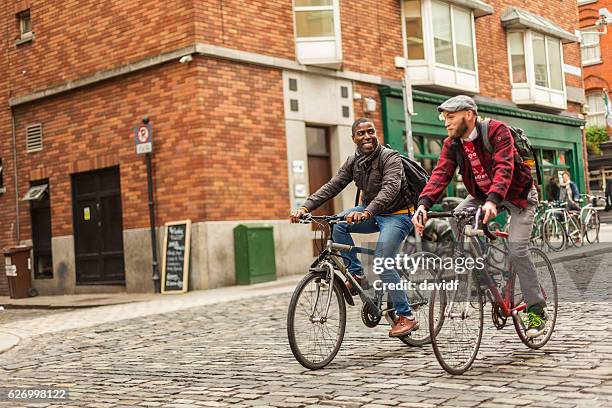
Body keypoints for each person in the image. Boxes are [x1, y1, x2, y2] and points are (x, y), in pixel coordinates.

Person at [411, 95, 548, 338]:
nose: (446, 123)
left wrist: (494, 200)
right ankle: (483, 269)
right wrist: (423, 204)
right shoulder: (453, 144)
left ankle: (536, 310)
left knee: (517, 251)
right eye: (444, 118)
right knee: (457, 217)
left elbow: (504, 167)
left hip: (519, 196)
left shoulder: (497, 131)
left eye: (451, 117)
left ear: (469, 115)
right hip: (483, 195)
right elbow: (441, 173)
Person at [290, 118, 418, 338]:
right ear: (354, 138)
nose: (367, 136)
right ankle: (358, 276)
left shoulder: (390, 157)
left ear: (376, 133)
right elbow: (333, 185)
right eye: (361, 133)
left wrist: (367, 211)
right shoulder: (354, 161)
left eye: (371, 132)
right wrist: (305, 206)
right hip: (370, 211)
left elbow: (390, 188)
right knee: (338, 224)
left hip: (396, 215)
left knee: (382, 261)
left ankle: (406, 315)